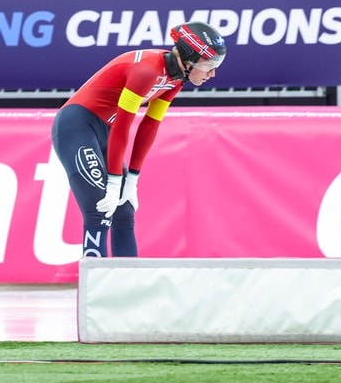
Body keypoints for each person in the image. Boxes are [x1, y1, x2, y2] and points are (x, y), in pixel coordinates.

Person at [51, 22, 227, 258]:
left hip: (105, 130)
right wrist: (114, 181)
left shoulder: (176, 79)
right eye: (208, 65)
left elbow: (149, 126)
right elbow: (124, 125)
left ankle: (128, 289)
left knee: (124, 212)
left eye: (216, 65)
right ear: (188, 58)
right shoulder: (146, 71)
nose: (212, 73)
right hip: (78, 127)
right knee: (99, 208)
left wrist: (132, 178)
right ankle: (96, 290)